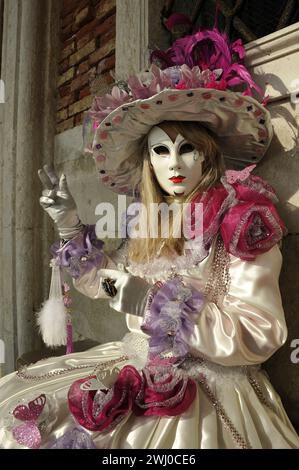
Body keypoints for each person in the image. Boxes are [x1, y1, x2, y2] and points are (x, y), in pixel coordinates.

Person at [0, 25, 299, 450]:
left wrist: (153, 304)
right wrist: (69, 225)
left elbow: (259, 332)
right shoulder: (150, 221)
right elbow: (112, 286)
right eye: (161, 150)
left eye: (187, 148)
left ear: (208, 153)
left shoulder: (240, 220)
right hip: (133, 363)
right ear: (148, 162)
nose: (174, 163)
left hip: (208, 389)